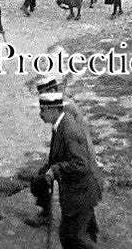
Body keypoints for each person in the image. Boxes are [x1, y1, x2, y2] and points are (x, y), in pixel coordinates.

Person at [35, 91, 104, 248]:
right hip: (76, 191)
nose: (40, 115)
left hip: (83, 191)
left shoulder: (68, 130)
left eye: (43, 110)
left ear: (53, 109)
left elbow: (81, 164)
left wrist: (55, 169)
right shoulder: (60, 125)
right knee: (70, 236)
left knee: (73, 237)